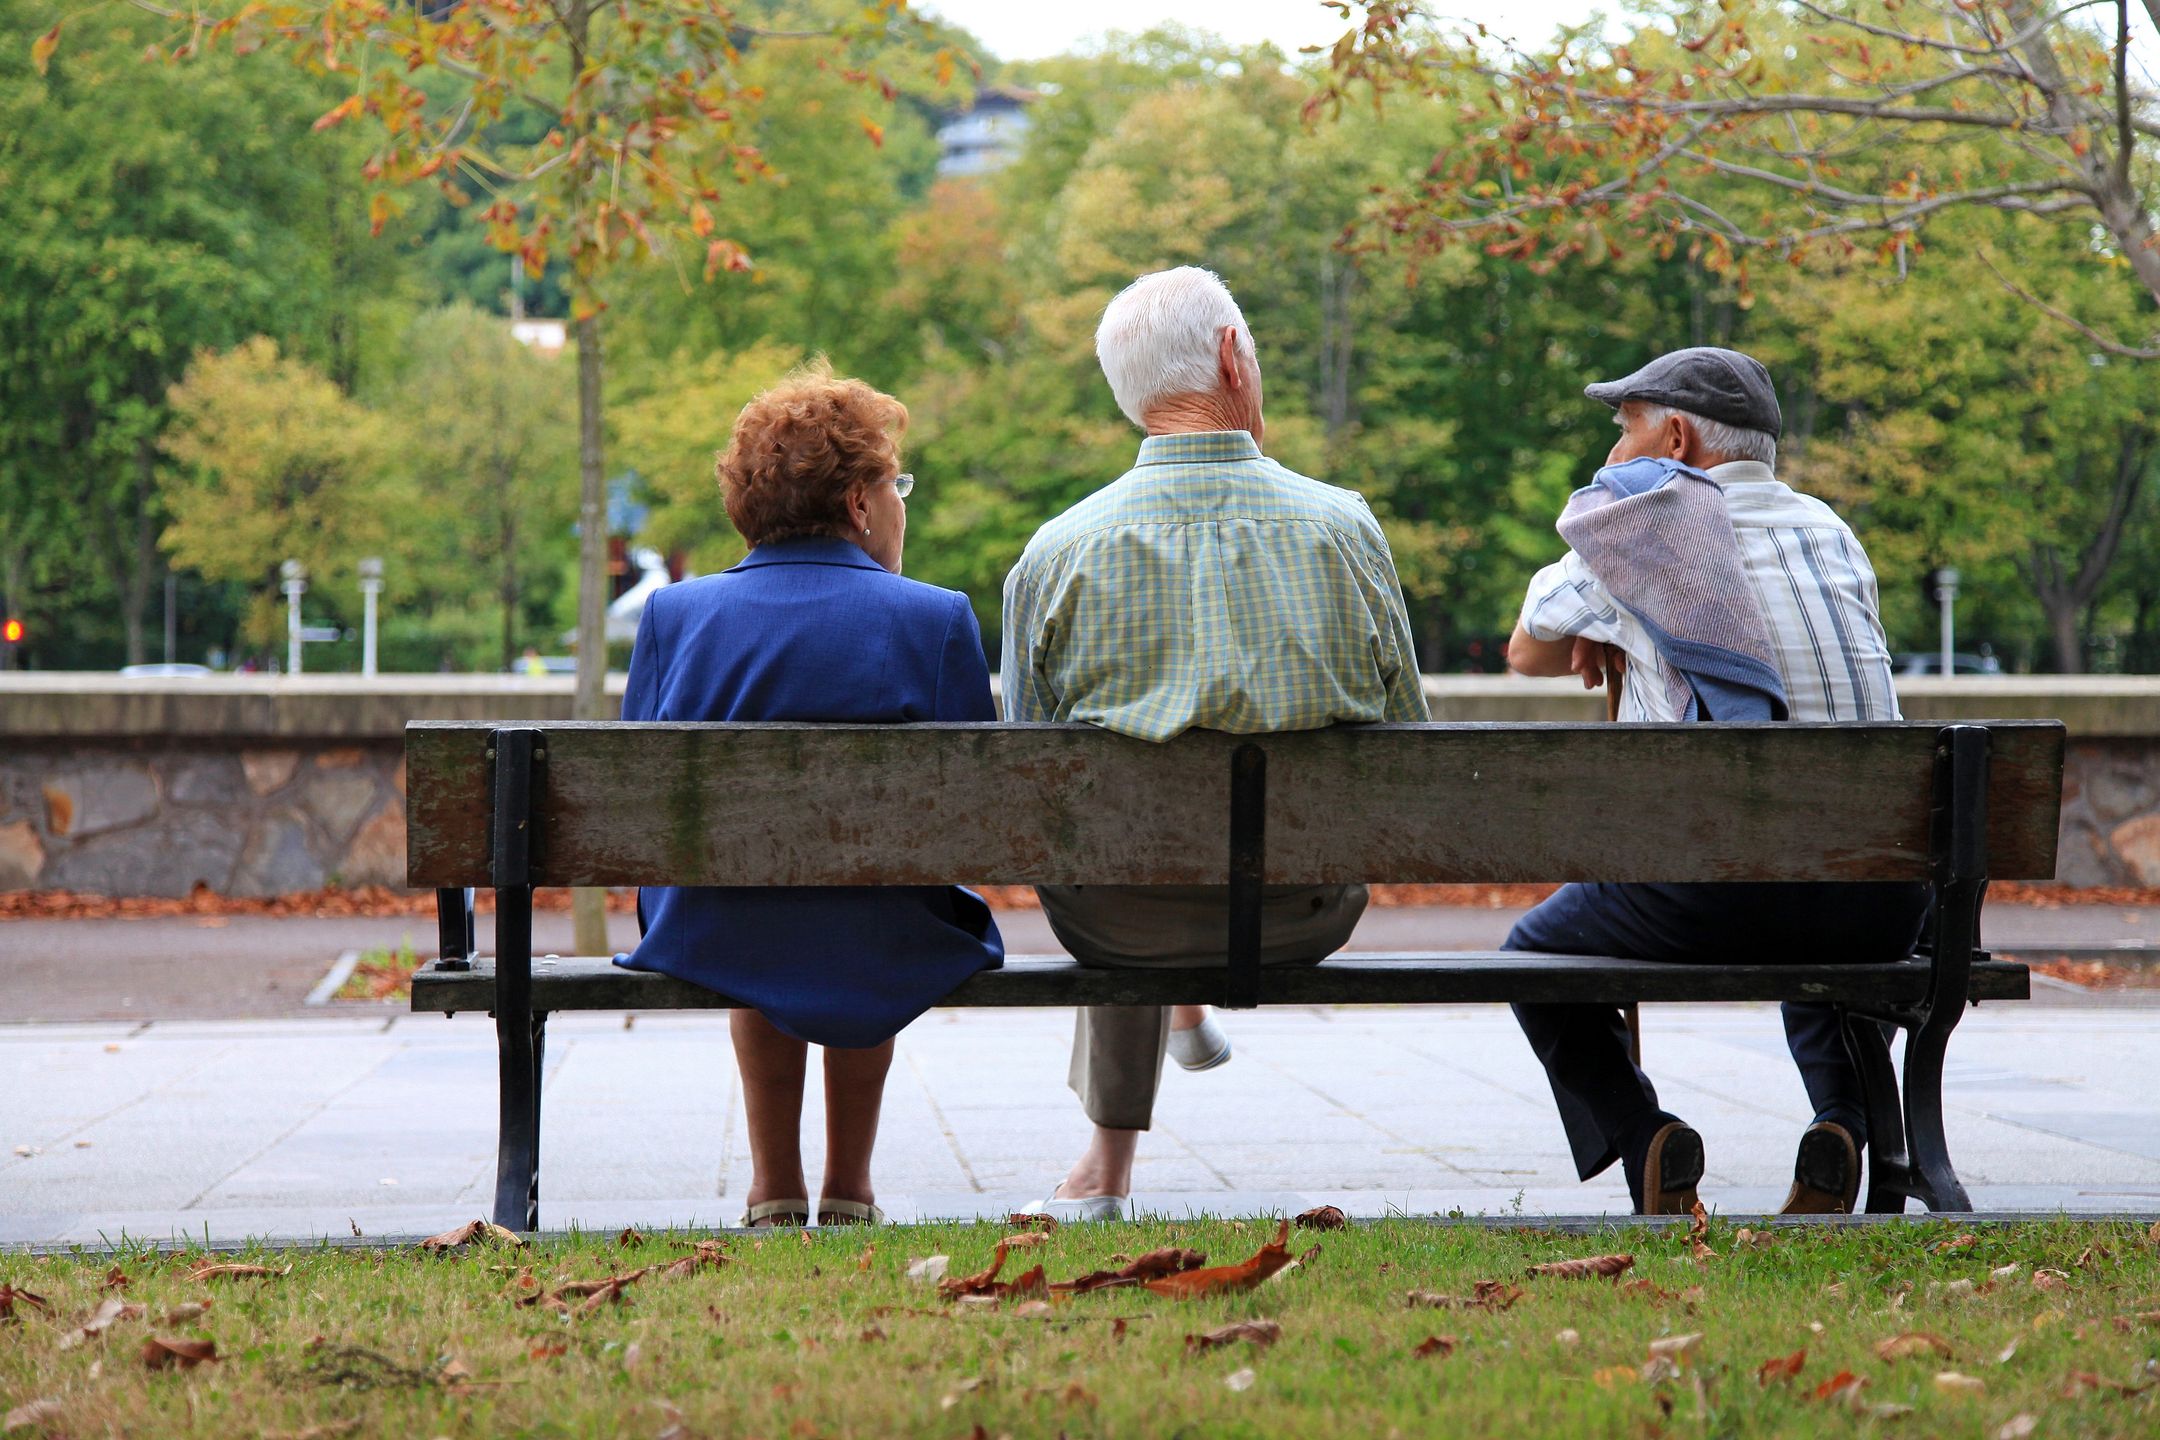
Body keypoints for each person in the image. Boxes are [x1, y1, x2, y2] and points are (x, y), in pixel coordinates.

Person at [1003, 266, 1429, 1220]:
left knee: (1119, 855)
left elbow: (1031, 782)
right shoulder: (1344, 529)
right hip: (1303, 912)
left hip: (1118, 921)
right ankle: (1168, 1048)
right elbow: (1413, 746)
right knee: (1148, 849)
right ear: (1234, 357)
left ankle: (1107, 1164)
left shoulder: (1055, 553)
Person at [1505, 346, 1925, 1216]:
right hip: (1882, 899)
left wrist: (1611, 606)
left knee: (1534, 956)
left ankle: (1643, 1134)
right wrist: (1623, 626)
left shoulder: (1647, 523)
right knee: (1816, 893)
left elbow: (1526, 653)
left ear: (1676, 436)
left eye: (1624, 432)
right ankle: (1844, 1124)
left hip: (1714, 896)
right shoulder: (1831, 533)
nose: (1614, 455)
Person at [614, 361, 1004, 1228]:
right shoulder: (935, 618)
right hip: (887, 924)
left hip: (715, 924)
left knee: (756, 907)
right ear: (861, 506)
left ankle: (774, 1187)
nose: (901, 502)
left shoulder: (674, 618)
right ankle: (851, 1187)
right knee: (875, 900)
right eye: (894, 484)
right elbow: (972, 818)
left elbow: (639, 810)